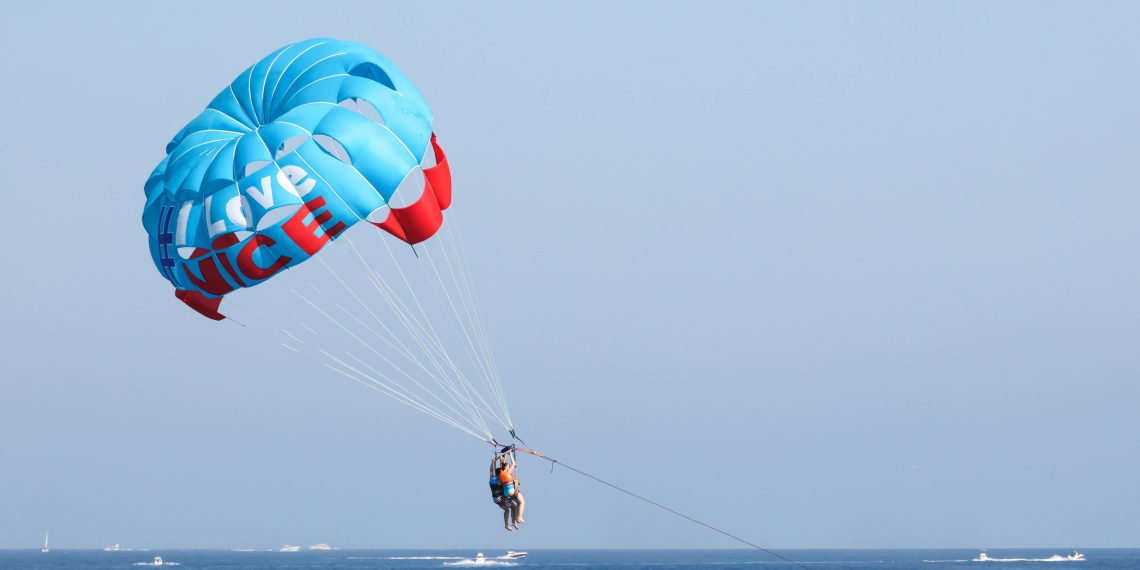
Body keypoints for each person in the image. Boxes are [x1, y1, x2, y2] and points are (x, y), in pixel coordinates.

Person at [498, 451, 526, 528]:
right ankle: (519, 517)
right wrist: (510, 455)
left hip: (506, 492)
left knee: (517, 504)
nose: (509, 467)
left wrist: (504, 456)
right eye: (508, 466)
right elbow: (513, 463)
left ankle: (516, 518)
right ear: (506, 467)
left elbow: (502, 464)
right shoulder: (507, 472)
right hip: (511, 491)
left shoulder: (501, 472)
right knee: (522, 502)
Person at [488, 455, 515, 530]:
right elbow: (500, 469)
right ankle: (512, 522)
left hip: (495, 499)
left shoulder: (491, 479)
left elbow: (491, 470)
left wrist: (493, 462)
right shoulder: (499, 479)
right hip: (500, 498)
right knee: (513, 507)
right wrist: (500, 460)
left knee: (507, 509)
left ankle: (507, 525)